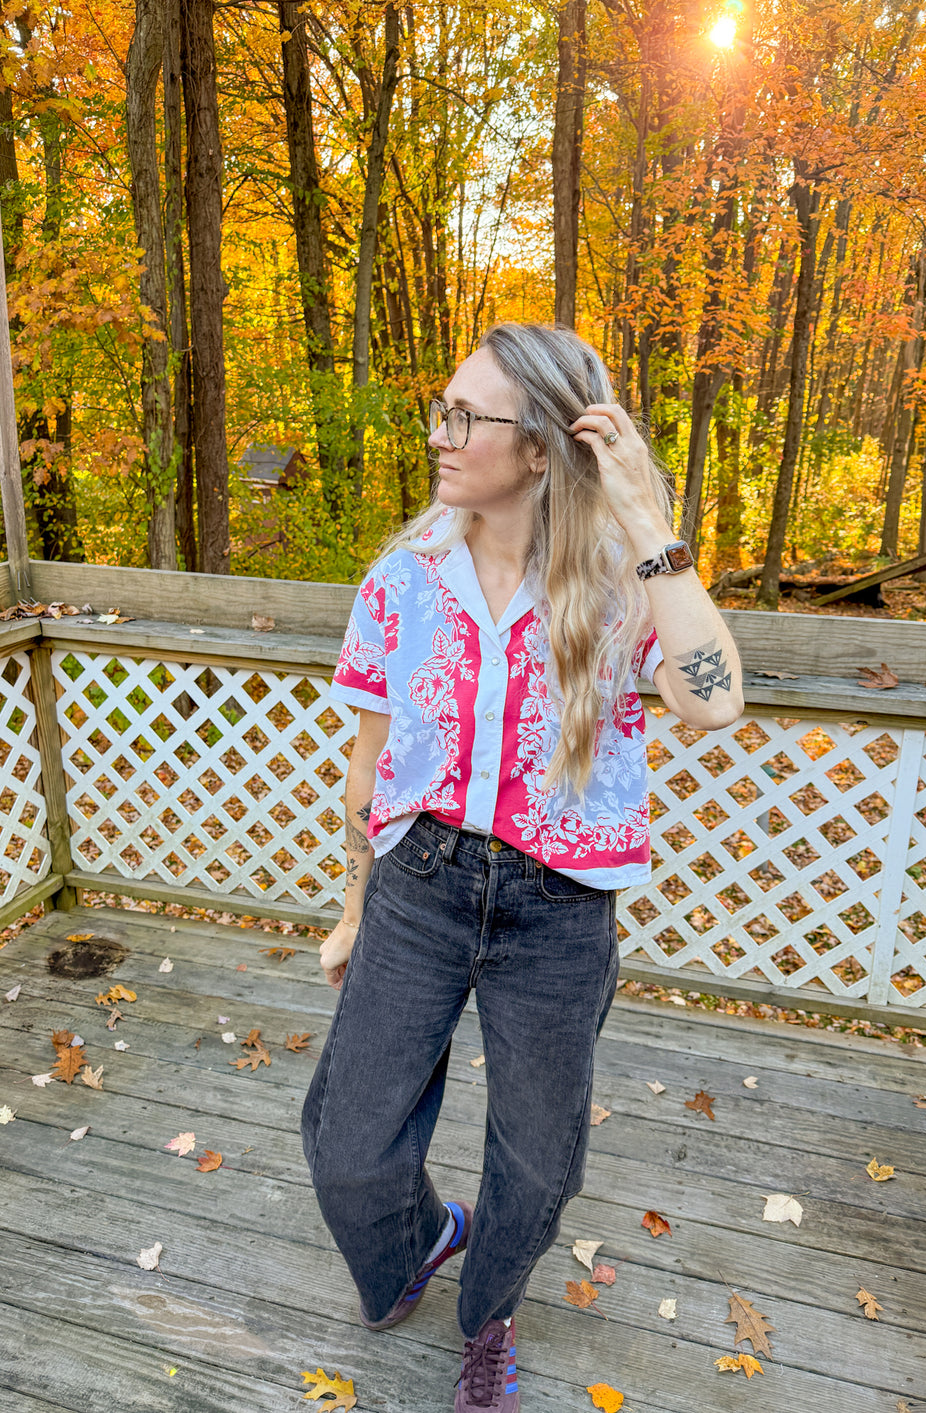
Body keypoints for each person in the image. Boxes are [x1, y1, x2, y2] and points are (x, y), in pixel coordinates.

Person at [301, 322, 744, 1411]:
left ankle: (487, 1310)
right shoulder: (404, 577)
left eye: (466, 417)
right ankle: (418, 1240)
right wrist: (353, 907)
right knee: (348, 1143)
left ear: (541, 448)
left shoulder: (617, 582)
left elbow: (715, 699)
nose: (440, 436)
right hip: (415, 886)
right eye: (440, 410)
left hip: (558, 909)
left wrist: (646, 519)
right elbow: (372, 769)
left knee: (538, 1164)